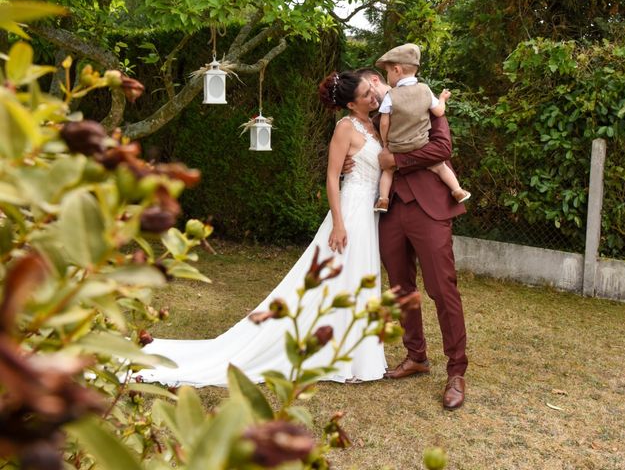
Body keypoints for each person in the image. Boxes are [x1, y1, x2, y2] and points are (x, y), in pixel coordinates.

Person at [137, 71, 388, 387]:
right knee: (340, 278)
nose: (373, 96)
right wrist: (338, 223)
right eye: (367, 94)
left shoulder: (375, 124)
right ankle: (337, 353)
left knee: (357, 278)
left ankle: (355, 352)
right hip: (350, 212)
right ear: (351, 103)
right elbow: (331, 176)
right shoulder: (345, 128)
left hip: (369, 213)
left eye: (372, 91)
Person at [353, 67, 469, 410]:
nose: (372, 95)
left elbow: (442, 147)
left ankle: (456, 371)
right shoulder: (378, 117)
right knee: (401, 287)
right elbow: (365, 150)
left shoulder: (423, 99)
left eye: (373, 84)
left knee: (442, 288)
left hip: (429, 208)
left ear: (385, 76)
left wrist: (398, 160)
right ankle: (415, 355)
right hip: (389, 210)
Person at [372, 43, 470, 213]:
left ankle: (383, 200)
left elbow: (384, 122)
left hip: (398, 147)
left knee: (387, 170)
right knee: (440, 166)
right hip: (421, 144)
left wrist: (387, 143)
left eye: (387, 72)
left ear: (396, 70)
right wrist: (442, 99)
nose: (387, 77)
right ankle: (458, 191)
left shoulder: (391, 95)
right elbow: (439, 112)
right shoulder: (425, 90)